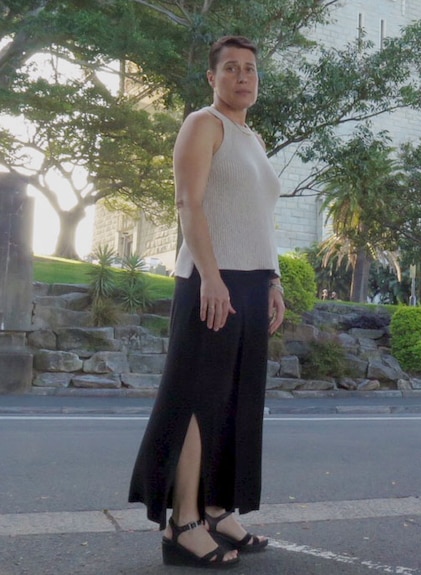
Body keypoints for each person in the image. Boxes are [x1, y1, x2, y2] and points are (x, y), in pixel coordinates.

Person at [128, 36, 285, 569]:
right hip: (210, 281)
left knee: (238, 401)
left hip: (250, 281)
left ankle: (219, 512)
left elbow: (257, 219)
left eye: (251, 70)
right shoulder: (204, 124)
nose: (243, 77)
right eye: (232, 69)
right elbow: (187, 203)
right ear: (212, 79)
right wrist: (212, 278)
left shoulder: (252, 137)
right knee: (198, 401)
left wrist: (274, 279)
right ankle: (184, 523)